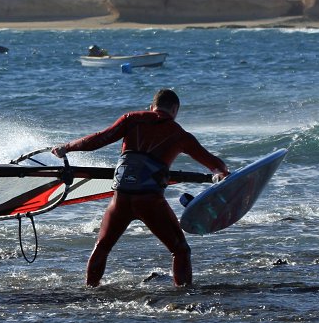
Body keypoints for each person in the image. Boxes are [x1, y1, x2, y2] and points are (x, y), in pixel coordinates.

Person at [51, 89, 228, 288]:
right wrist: (224, 173)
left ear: (152, 107)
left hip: (121, 199)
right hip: (150, 202)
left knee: (102, 247)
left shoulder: (131, 119)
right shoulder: (179, 134)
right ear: (175, 109)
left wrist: (66, 147)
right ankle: (183, 293)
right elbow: (214, 163)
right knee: (180, 250)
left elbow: (99, 139)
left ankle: (90, 289)